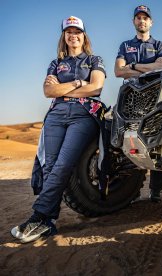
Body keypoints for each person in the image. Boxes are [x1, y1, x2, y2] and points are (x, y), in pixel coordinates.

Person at [11, 16, 106, 243]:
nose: (73, 35)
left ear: (84, 36)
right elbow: (48, 92)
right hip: (56, 115)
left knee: (63, 164)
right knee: (50, 166)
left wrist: (63, 88)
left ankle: (40, 216)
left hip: (83, 115)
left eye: (77, 31)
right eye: (68, 32)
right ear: (64, 37)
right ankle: (47, 223)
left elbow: (96, 87)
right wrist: (76, 84)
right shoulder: (56, 63)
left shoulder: (94, 59)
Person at [114, 5, 162, 203]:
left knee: (156, 138)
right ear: (133, 22)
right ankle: (128, 191)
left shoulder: (159, 45)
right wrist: (146, 69)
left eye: (145, 18)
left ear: (151, 22)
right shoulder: (125, 45)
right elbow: (118, 72)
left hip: (153, 96)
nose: (142, 21)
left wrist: (133, 66)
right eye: (138, 18)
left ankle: (156, 189)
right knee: (128, 140)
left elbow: (161, 66)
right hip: (129, 97)